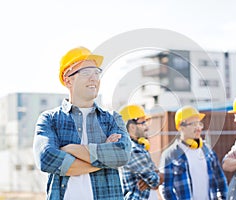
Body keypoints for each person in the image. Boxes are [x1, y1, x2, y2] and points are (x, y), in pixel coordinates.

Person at [32, 46, 132, 200]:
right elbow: (46, 158)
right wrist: (103, 157)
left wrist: (71, 149)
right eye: (86, 73)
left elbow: (122, 154)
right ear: (68, 80)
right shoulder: (50, 119)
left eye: (96, 72)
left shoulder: (112, 118)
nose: (94, 78)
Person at [159, 105, 228, 200]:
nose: (198, 128)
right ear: (181, 127)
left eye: (199, 123)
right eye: (193, 124)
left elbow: (221, 180)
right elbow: (166, 190)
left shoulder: (208, 151)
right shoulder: (170, 155)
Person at [119, 104, 164, 200]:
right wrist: (160, 176)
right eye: (143, 123)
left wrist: (153, 177)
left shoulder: (140, 148)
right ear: (132, 127)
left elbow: (153, 179)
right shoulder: (133, 150)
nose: (146, 127)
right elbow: (155, 181)